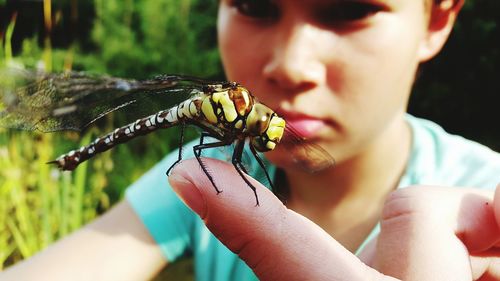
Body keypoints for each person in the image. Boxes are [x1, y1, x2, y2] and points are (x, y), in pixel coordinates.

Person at [1, 0, 500, 280]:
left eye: (350, 8)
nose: (290, 65)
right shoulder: (195, 178)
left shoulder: (485, 201)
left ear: (437, 20)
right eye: (254, 4)